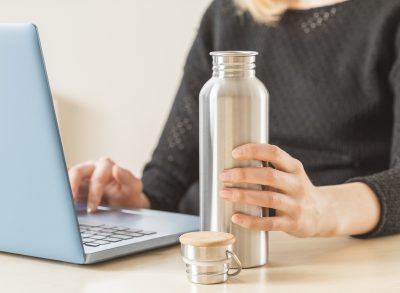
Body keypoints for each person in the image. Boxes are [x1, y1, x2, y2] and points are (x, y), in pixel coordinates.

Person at [68, 0, 400, 239]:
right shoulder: (226, 15)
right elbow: (168, 178)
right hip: (205, 251)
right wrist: (130, 202)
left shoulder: (388, 15)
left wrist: (323, 209)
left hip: (329, 254)